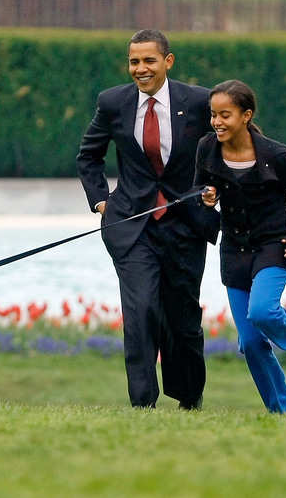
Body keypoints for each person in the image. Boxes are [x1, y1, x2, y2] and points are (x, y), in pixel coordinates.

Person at [76, 29, 219, 409]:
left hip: (185, 226)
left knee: (182, 320)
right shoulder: (112, 102)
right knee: (140, 315)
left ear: (167, 62)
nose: (140, 69)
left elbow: (226, 147)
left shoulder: (200, 101)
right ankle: (142, 405)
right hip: (132, 226)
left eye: (149, 61)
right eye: (134, 61)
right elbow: (88, 156)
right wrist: (101, 203)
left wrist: (215, 189)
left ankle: (189, 398)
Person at [194, 79, 286, 414]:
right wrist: (206, 198)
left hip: (273, 245)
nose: (217, 121)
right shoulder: (207, 148)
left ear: (246, 115)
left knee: (263, 310)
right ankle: (285, 412)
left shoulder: (274, 154)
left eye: (225, 114)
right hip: (234, 250)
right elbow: (200, 190)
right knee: (252, 342)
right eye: (213, 115)